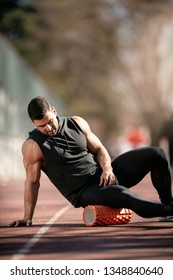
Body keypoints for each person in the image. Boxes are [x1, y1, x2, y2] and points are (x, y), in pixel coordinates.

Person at [9, 96, 173, 227]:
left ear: (54, 110)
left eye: (50, 121)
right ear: (34, 123)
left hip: (105, 175)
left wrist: (107, 168)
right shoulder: (32, 146)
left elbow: (100, 149)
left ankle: (167, 201)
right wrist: (26, 217)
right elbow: (32, 182)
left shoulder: (77, 123)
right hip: (85, 191)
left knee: (157, 154)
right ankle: (168, 210)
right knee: (123, 195)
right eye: (42, 126)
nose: (48, 128)